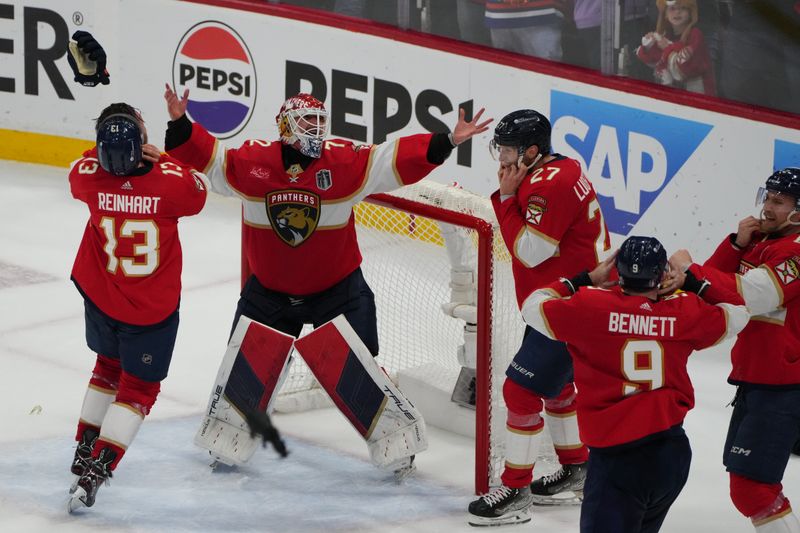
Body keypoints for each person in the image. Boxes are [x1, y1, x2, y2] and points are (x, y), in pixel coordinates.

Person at [162, 85, 492, 476]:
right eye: (307, 122)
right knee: (247, 367)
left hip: (338, 290)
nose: (317, 130)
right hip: (269, 293)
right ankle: (228, 438)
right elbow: (211, 159)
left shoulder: (344, 163)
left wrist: (447, 141)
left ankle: (397, 445)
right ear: (285, 127)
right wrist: (180, 123)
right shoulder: (253, 163)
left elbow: (391, 157)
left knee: (360, 367)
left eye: (321, 122)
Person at [519, 236, 749, 533]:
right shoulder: (685, 310)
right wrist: (691, 280)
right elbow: (740, 312)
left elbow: (533, 305)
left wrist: (585, 278)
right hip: (671, 455)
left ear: (617, 271)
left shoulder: (589, 307)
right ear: (663, 274)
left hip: (617, 460)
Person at [468, 109, 610, 526]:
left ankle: (515, 490)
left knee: (520, 392)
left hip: (569, 309)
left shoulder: (549, 185)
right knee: (559, 388)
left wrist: (507, 199)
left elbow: (531, 251)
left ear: (532, 151)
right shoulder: (558, 169)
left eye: (509, 149)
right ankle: (577, 467)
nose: (502, 158)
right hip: (571, 302)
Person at [66, 100, 210, 511]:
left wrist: (100, 153)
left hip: (101, 297)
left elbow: (80, 171)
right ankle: (100, 467)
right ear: (141, 143)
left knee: (106, 368)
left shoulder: (88, 178)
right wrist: (164, 158)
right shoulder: (170, 183)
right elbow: (198, 191)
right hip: (150, 309)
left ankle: (84, 453)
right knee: (138, 389)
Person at [664, 167, 800, 532]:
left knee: (753, 488)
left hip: (784, 386)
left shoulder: (796, 252)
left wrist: (691, 271)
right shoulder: (764, 242)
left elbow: (756, 294)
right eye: (767, 197)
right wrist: (736, 245)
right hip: (765, 380)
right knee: (752, 486)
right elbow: (709, 291)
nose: (767, 208)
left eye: (778, 201)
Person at [635, 0, 716, 95]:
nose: (677, 12)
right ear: (665, 13)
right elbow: (654, 62)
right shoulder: (666, 34)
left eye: (683, 8)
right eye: (672, 8)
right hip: (674, 97)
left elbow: (682, 71)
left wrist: (667, 48)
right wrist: (649, 45)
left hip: (698, 98)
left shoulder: (696, 35)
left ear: (691, 13)